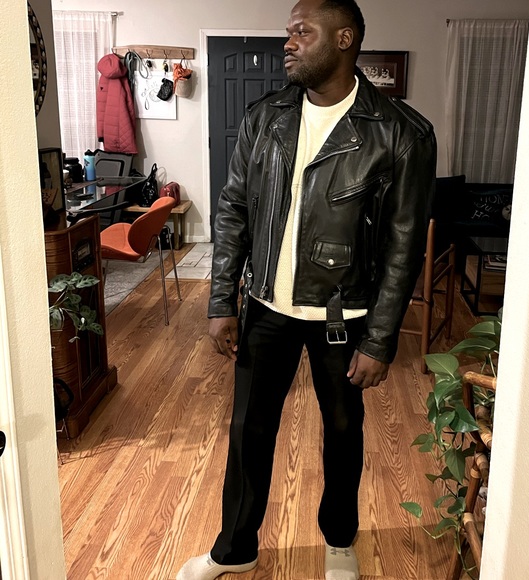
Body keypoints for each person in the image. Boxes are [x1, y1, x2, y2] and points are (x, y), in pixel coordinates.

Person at [177, 0, 436, 578]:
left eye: (302, 31)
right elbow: (233, 210)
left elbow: (404, 248)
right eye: (287, 32)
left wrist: (381, 340)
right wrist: (222, 299)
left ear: (344, 39)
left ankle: (339, 542)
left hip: (345, 315)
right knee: (248, 431)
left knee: (343, 434)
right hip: (265, 307)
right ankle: (235, 549)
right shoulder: (265, 117)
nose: (288, 42)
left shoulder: (400, 132)